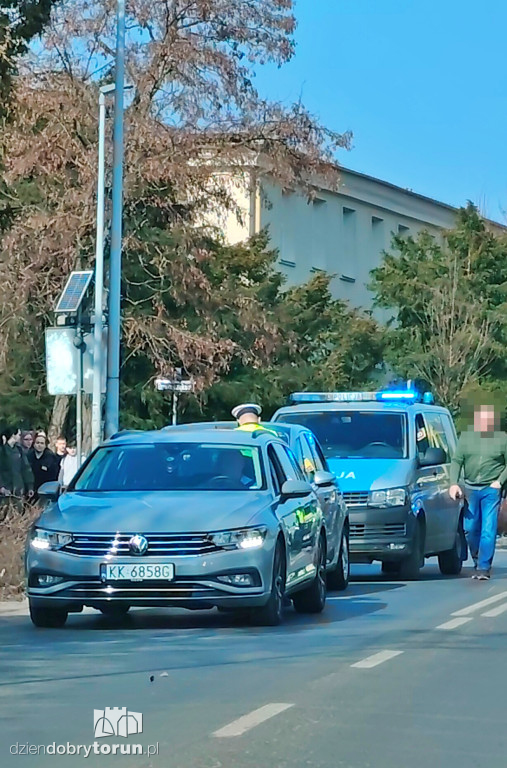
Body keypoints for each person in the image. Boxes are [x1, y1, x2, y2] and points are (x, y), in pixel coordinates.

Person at [449, 403, 507, 580]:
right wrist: (453, 483)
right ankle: (476, 557)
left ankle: (483, 568)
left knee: (488, 529)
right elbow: (457, 461)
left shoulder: (502, 438)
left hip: (491, 489)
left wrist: (499, 481)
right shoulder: (466, 438)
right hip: (470, 488)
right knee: (470, 528)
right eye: (482, 420)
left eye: (488, 420)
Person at [0, 426, 34, 504]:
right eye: (18, 435)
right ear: (13, 435)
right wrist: (1, 487)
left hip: (19, 489)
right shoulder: (2, 451)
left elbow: (26, 468)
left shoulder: (19, 450)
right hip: (5, 490)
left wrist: (30, 486)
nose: (19, 437)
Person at [29, 433, 60, 499]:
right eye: (37, 443)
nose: (39, 445)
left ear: (45, 445)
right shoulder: (28, 456)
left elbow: (54, 475)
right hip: (31, 489)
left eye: (42, 443)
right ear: (34, 444)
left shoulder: (51, 457)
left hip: (45, 490)